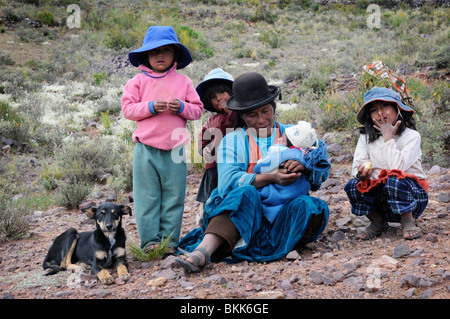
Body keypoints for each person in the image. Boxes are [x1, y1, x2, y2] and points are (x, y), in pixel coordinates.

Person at [176, 72, 330, 272]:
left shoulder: (295, 134)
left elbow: (321, 174)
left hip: (282, 214)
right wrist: (270, 178)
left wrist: (305, 165)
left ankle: (271, 242)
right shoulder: (232, 140)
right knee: (244, 193)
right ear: (241, 116)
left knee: (312, 206)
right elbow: (227, 183)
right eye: (251, 115)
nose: (260, 120)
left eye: (265, 111)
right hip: (243, 217)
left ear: (273, 107)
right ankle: (203, 252)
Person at [121, 26, 203, 251]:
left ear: (174, 55)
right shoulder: (137, 81)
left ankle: (169, 242)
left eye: (166, 50)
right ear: (146, 55)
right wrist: (148, 107)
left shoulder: (184, 82)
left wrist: (183, 107)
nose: (160, 55)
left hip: (176, 149)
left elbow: (198, 110)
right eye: (155, 51)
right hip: (145, 148)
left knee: (173, 197)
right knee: (146, 196)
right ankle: (150, 242)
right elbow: (127, 109)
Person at [344, 86, 428, 240]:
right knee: (352, 184)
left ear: (397, 108)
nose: (380, 113)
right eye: (374, 110)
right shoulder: (366, 137)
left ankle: (408, 221)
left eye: (384, 106)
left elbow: (398, 168)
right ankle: (378, 222)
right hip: (383, 201)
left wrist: (388, 138)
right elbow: (357, 166)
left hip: (411, 199)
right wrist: (361, 173)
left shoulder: (411, 137)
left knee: (395, 178)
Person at [253, 121, 330, 224]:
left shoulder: (281, 150)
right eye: (252, 114)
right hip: (296, 196)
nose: (279, 139)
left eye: (283, 139)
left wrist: (306, 168)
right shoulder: (308, 154)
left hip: (277, 195)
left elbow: (260, 168)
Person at [195, 68, 237, 226]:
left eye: (221, 92)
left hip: (237, 165)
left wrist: (233, 110)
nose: (219, 98)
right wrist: (209, 148)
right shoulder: (210, 122)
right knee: (212, 198)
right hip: (214, 168)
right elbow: (202, 146)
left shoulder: (241, 113)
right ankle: (206, 224)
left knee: (232, 196)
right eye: (213, 97)